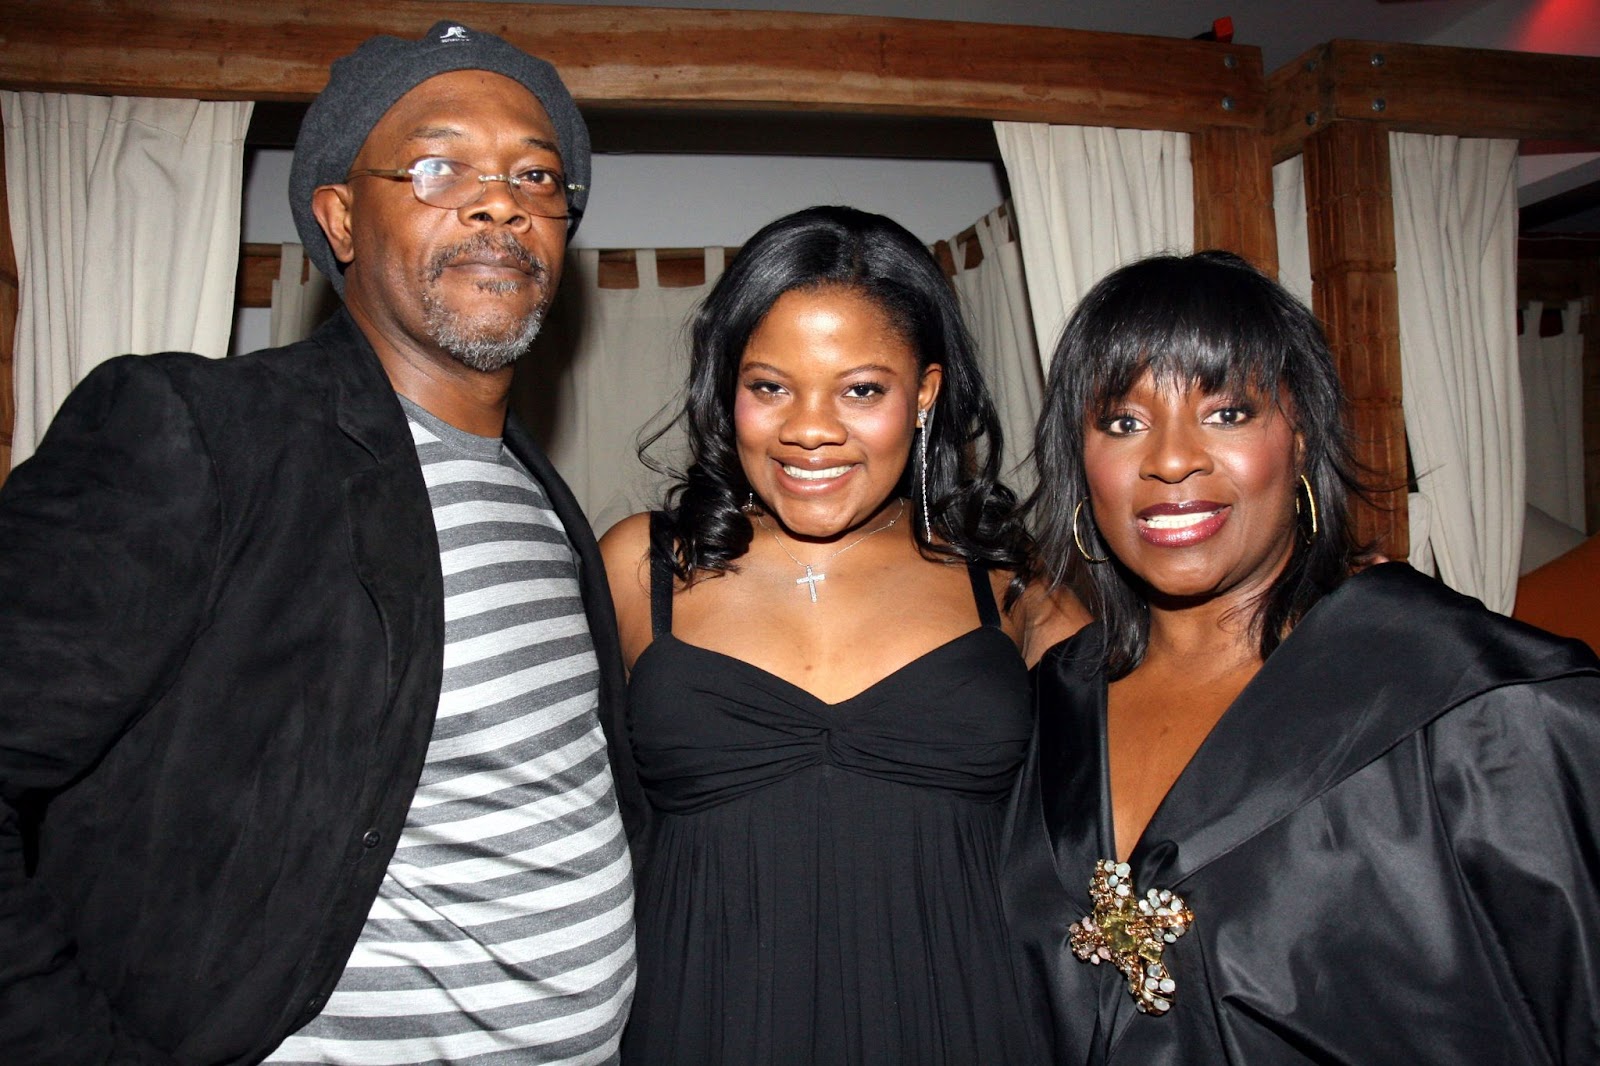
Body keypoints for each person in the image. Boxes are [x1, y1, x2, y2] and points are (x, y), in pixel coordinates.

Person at [0, 22, 641, 1065]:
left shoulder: (543, 497)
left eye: (537, 175)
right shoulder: (205, 434)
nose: (500, 201)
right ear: (340, 217)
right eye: (440, 165)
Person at [1003, 250, 1600, 1064]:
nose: (1171, 460)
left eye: (1227, 412)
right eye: (1123, 422)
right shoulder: (1047, 713)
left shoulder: (1469, 699)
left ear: (1302, 433)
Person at [600, 205, 1085, 1064]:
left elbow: (1155, 774)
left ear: (925, 392)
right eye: (769, 386)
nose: (810, 429)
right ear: (727, 389)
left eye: (862, 389)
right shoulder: (645, 569)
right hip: (703, 1022)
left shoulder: (1009, 581)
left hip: (968, 1023)